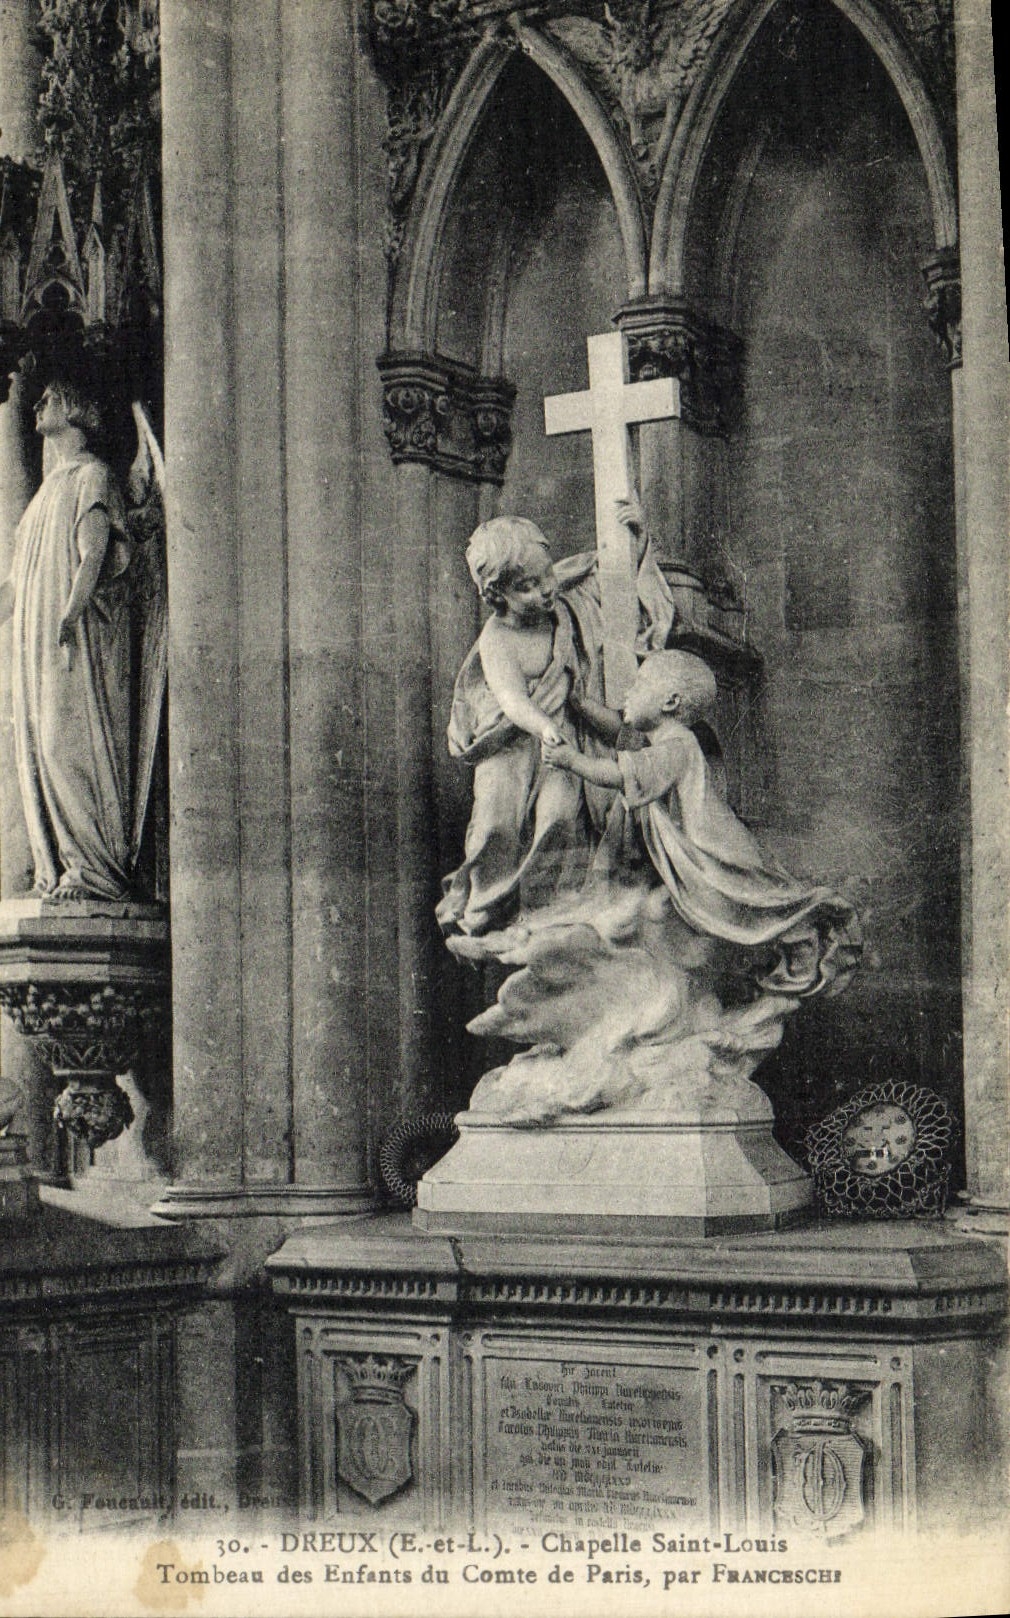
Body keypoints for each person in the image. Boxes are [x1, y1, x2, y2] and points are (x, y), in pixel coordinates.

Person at [543, 650, 859, 996]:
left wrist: (570, 760)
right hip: (705, 854)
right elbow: (620, 731)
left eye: (639, 683)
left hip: (712, 859)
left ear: (670, 701)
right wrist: (581, 704)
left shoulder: (676, 747)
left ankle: (797, 947)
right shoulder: (663, 739)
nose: (628, 692)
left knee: (739, 916)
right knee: (740, 916)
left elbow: (619, 773)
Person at [436, 502, 673, 936]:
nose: (547, 590)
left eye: (546, 575)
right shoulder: (497, 638)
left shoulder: (565, 604)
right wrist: (542, 726)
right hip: (510, 742)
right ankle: (486, 904)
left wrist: (637, 545)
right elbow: (511, 699)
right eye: (528, 586)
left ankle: (548, 908)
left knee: (561, 816)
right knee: (495, 822)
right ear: (497, 596)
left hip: (561, 740)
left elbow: (614, 584)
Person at [0, 379, 133, 900]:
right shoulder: (39, 499)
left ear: (76, 410)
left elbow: (94, 553)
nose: (37, 405)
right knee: (33, 747)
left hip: (71, 639)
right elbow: (15, 584)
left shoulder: (92, 475)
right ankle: (51, 868)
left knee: (63, 743)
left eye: (50, 399)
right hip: (34, 642)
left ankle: (94, 869)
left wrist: (71, 611)